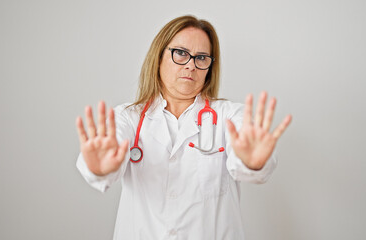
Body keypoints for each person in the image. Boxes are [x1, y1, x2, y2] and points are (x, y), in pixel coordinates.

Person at [75, 15, 292, 240]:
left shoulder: (230, 115)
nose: (191, 64)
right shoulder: (128, 118)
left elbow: (250, 164)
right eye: (180, 53)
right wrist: (99, 167)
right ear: (158, 57)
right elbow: (107, 160)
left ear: (209, 66)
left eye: (201, 57)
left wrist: (252, 163)